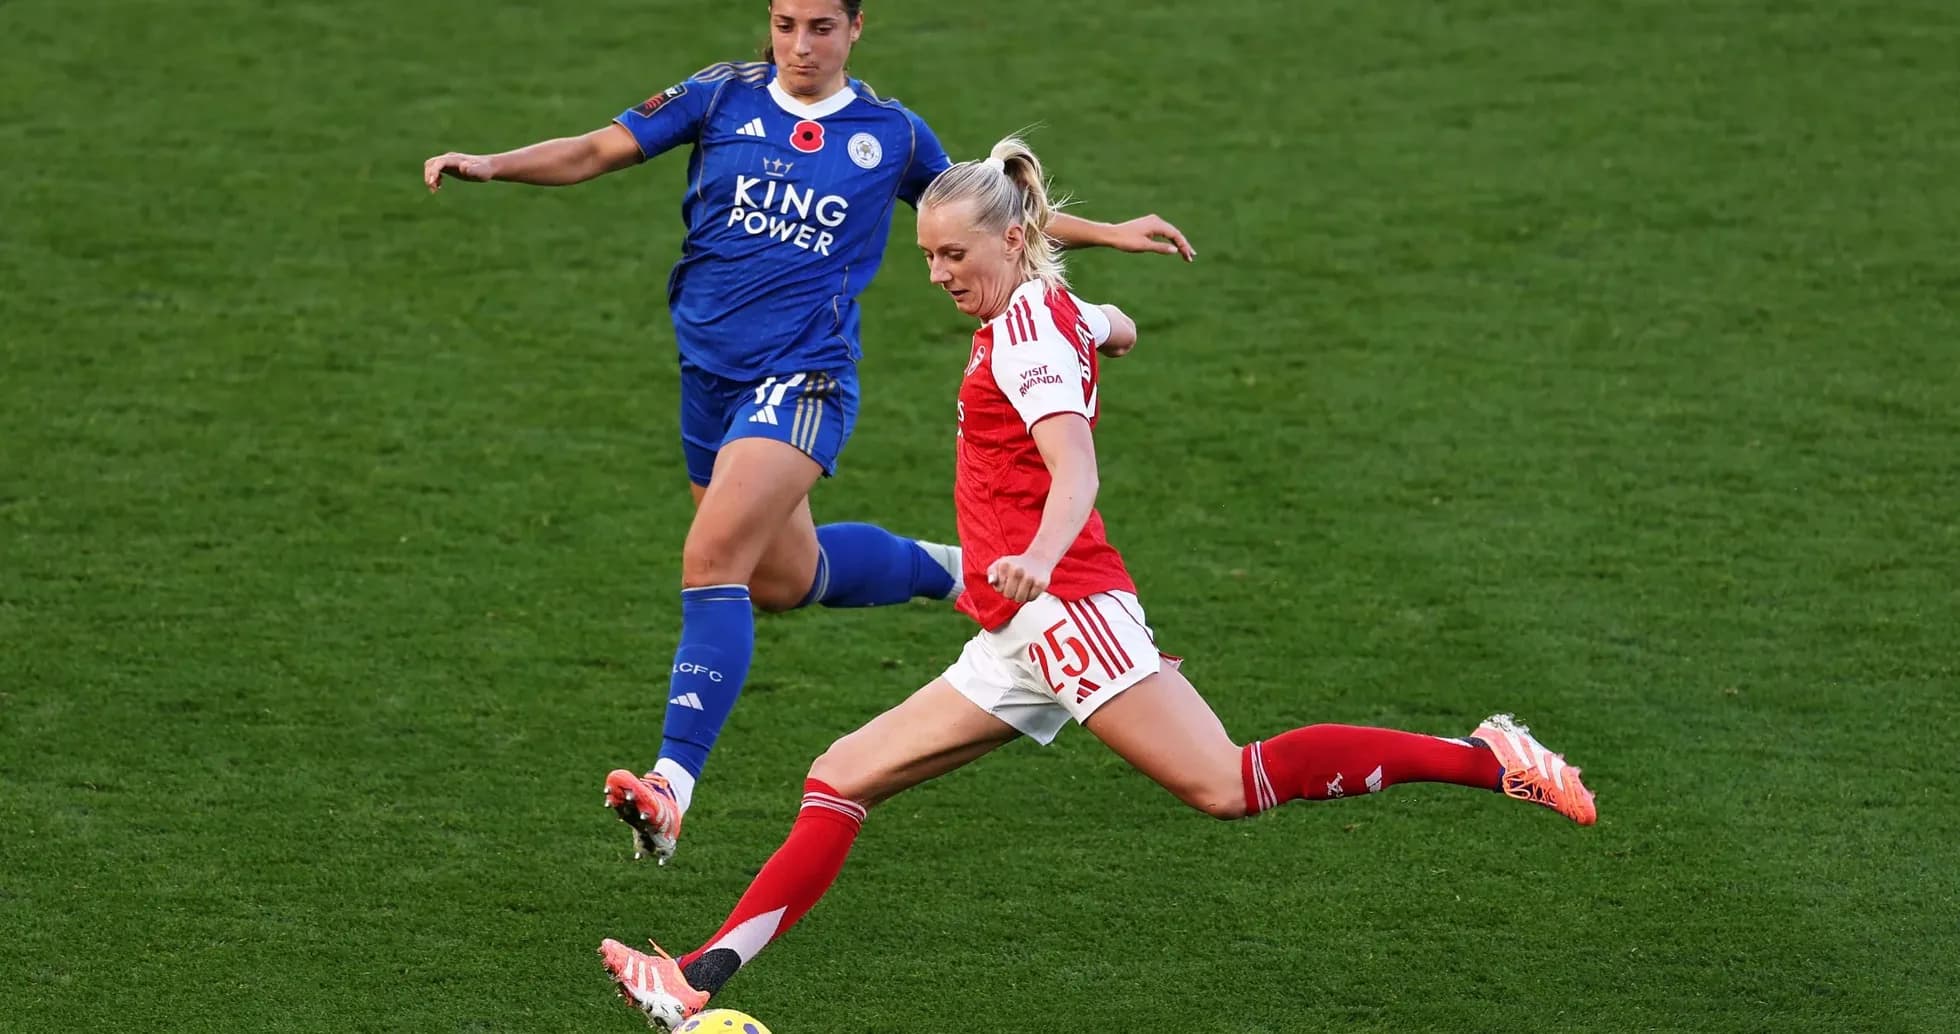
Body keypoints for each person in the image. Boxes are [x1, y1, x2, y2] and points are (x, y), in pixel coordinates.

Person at [595, 134, 1597, 1030]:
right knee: (840, 775)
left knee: (1227, 783)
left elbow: (1073, 466)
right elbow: (1119, 329)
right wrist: (1103, 313)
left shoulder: (1028, 334)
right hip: (1014, 631)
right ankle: (692, 979)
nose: (938, 275)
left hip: (1063, 606)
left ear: (1009, 240)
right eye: (928, 257)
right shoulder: (1050, 310)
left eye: (954, 256)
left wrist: (1038, 552)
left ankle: (1488, 755)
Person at [421, 0, 1196, 866]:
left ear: (856, 28)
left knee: (711, 559)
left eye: (821, 26)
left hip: (805, 378)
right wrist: (492, 164)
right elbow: (599, 148)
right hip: (709, 379)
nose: (800, 44)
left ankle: (671, 788)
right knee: (781, 579)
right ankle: (957, 569)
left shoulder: (891, 134)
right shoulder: (720, 95)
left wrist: (1110, 233)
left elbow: (990, 214)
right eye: (786, 23)